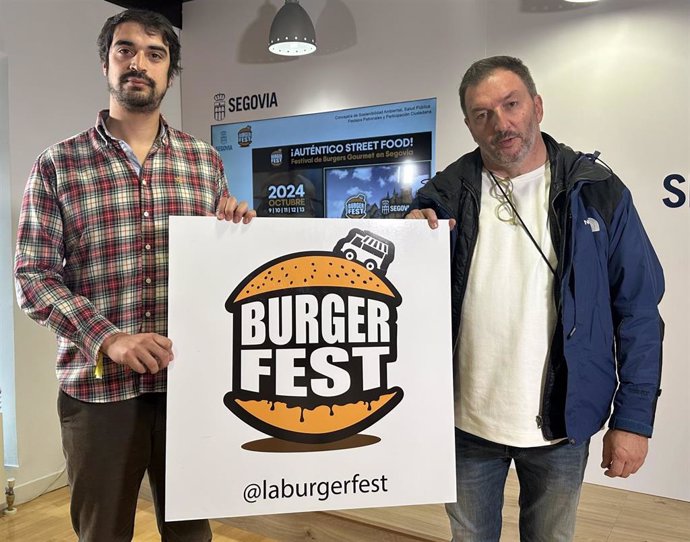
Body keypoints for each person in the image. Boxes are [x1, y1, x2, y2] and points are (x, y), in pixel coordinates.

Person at [14, 9, 255, 542]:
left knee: (192, 534)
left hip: (190, 390)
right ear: (106, 64)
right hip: (99, 395)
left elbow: (219, 276)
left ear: (170, 71)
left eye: (154, 53)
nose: (138, 63)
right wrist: (110, 339)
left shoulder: (204, 161)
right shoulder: (58, 163)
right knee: (102, 534)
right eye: (125, 50)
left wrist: (237, 234)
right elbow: (33, 277)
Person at [406, 56, 664, 541]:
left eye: (511, 104)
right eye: (482, 114)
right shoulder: (443, 195)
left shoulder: (599, 193)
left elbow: (639, 314)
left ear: (537, 107)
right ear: (468, 125)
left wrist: (633, 420)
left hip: (562, 427)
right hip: (463, 426)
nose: (500, 123)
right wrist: (410, 229)